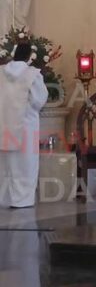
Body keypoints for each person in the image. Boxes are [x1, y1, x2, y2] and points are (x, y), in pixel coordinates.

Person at [0, 43, 48, 208]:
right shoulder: (32, 75)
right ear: (29, 56)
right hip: (26, 125)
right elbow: (38, 100)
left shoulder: (1, 72)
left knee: (6, 163)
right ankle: (23, 200)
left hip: (3, 124)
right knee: (26, 163)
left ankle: (4, 198)